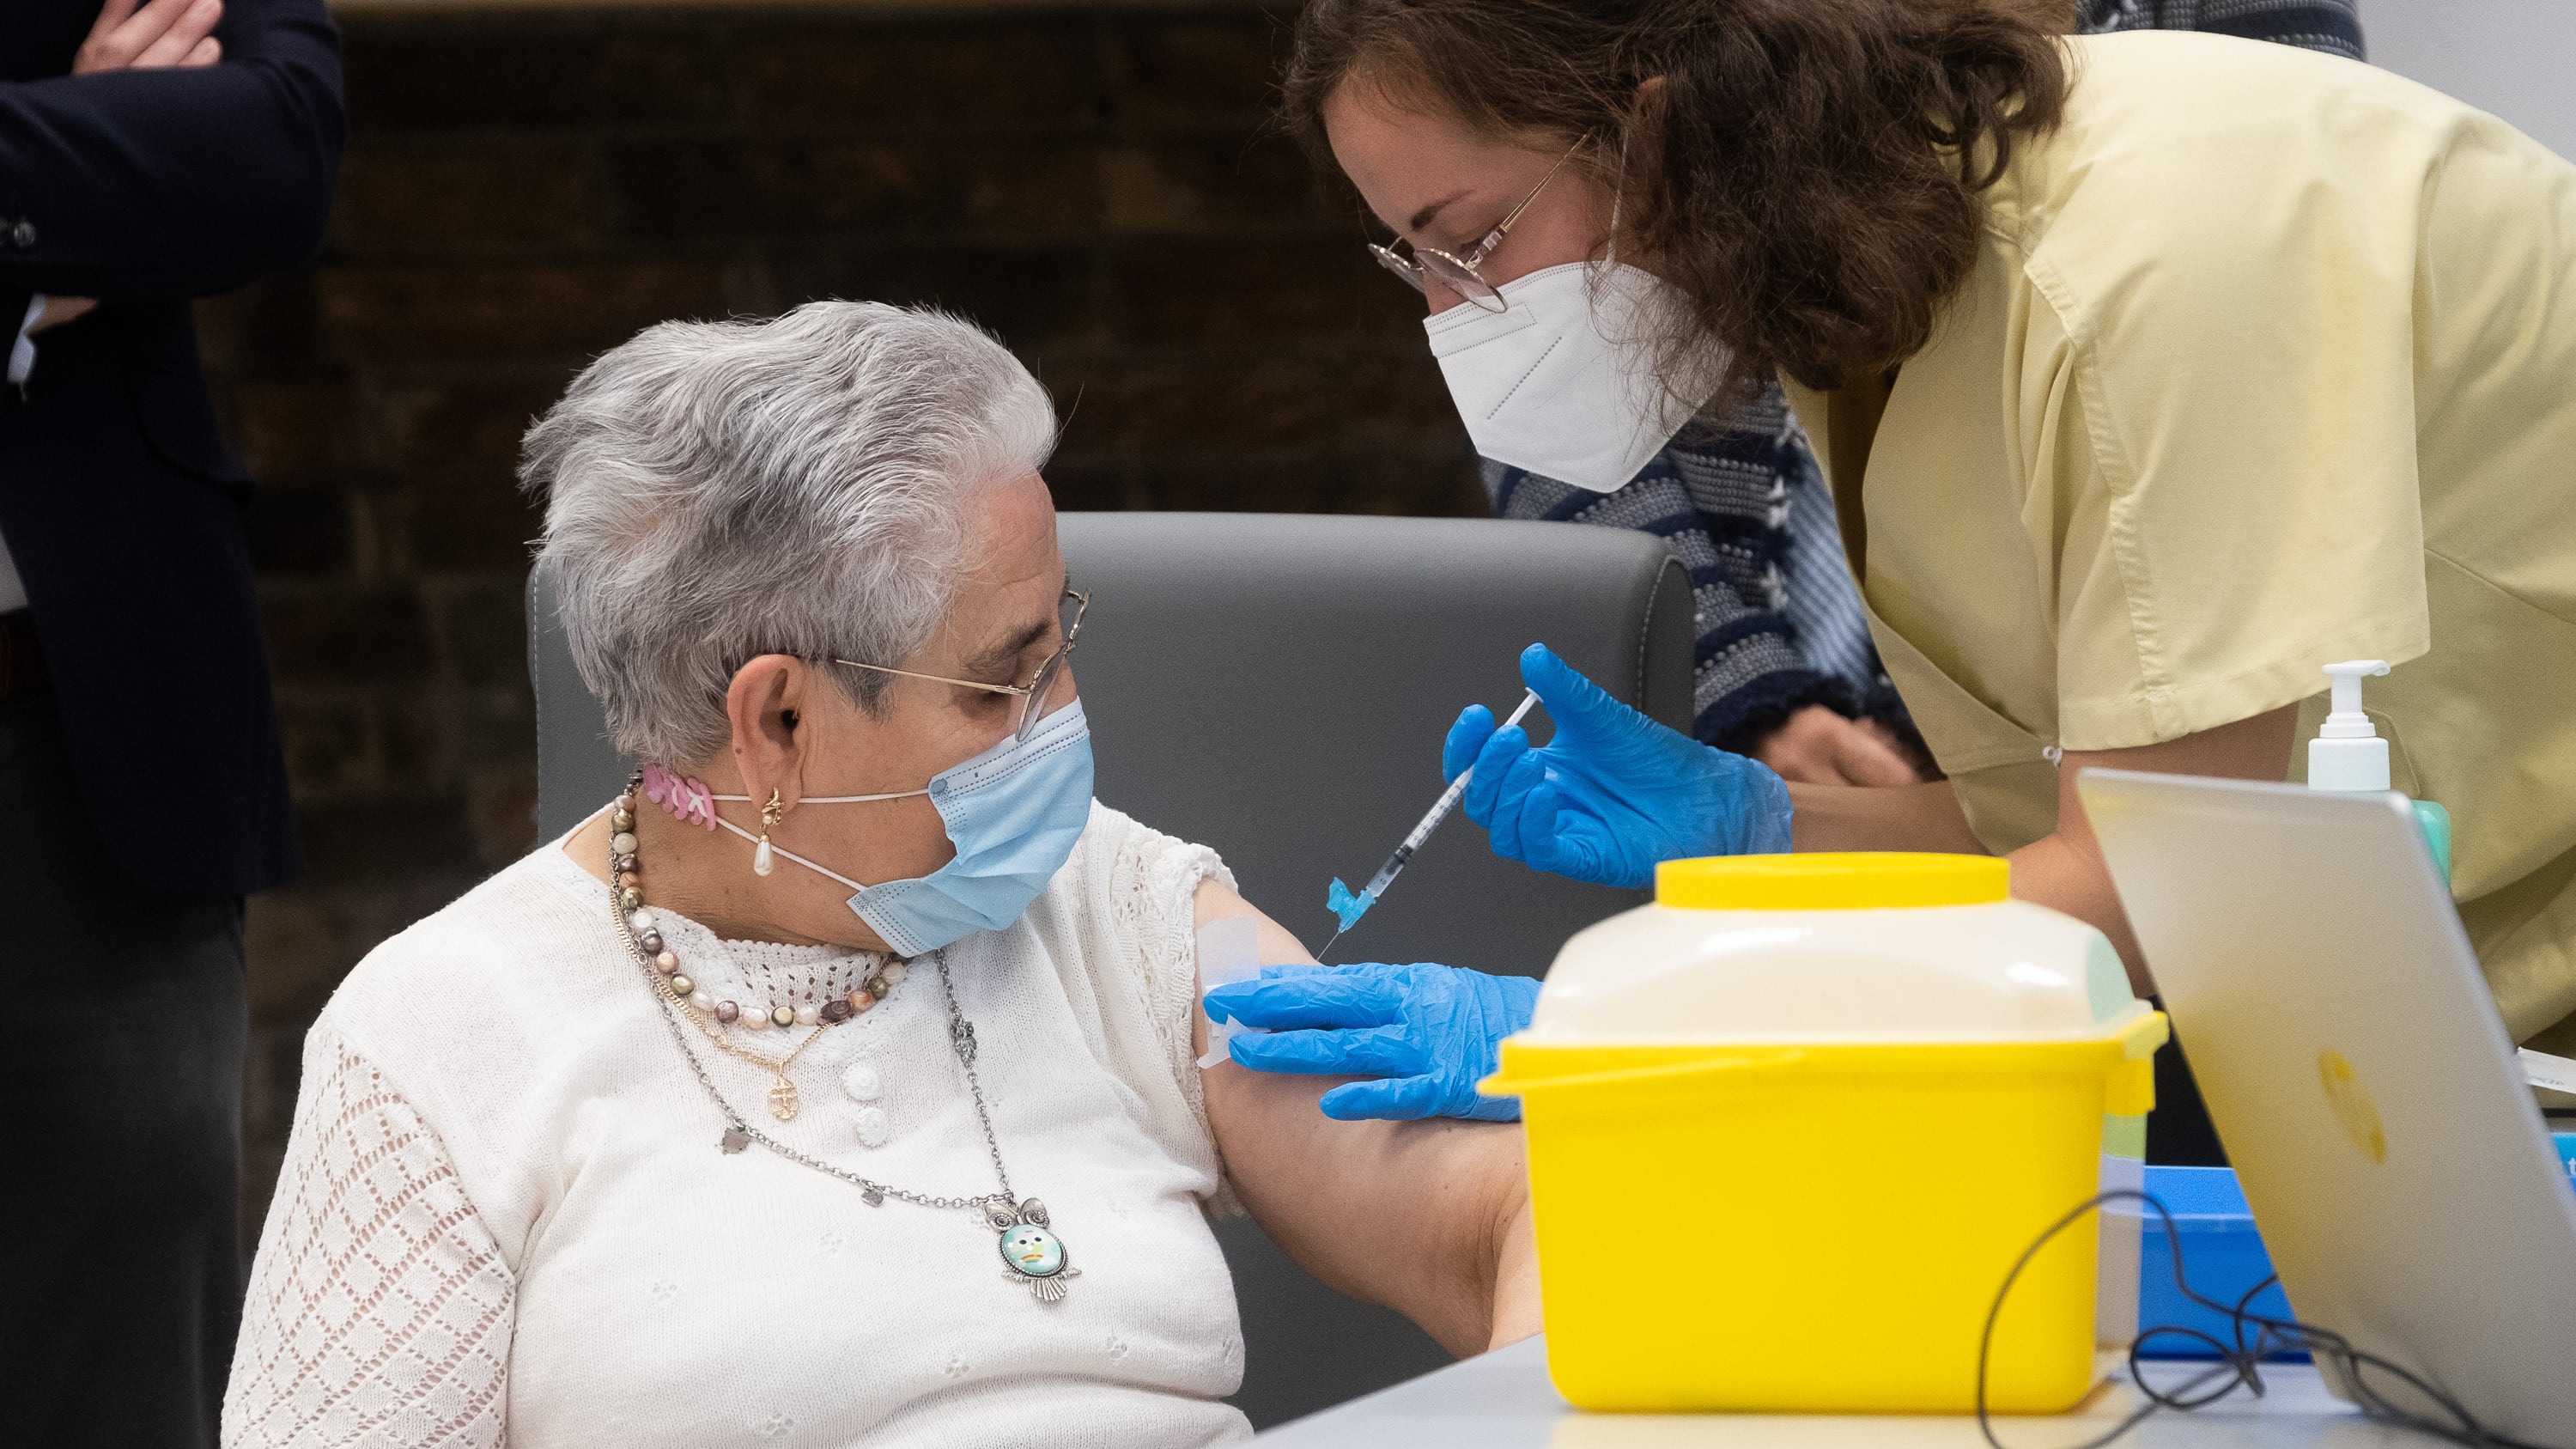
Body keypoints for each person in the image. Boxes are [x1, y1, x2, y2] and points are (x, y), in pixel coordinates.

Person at [1207, 0, 2576, 1163]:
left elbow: (2166, 898)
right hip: (2423, 987)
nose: (1448, 315)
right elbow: (2057, 834)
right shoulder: (1873, 303)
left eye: (1469, 240)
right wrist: (1763, 820)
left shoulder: (2145, 259)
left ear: (1658, 132)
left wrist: (1612, 1020)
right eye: (1416, 261)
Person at [222, 302, 1537, 1448]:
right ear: (778, 719)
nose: (1064, 714)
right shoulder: (440, 1040)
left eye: (1061, 640)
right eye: (1003, 678)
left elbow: (1503, 1212)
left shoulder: (1114, 900)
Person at [1467, 6, 2366, 792]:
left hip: (2125, 694)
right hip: (1827, 709)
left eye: (1472, 244)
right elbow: (1547, 390)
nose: (1454, 315)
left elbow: (2269, 308)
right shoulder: (1783, 253)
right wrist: (1733, 686)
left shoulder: (2160, 220)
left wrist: (1953, 737)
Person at [0, 2, 341, 1446]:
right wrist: (72, 182)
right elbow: (150, 169)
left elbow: (270, 152)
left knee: (129, 1359)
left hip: (73, 750)